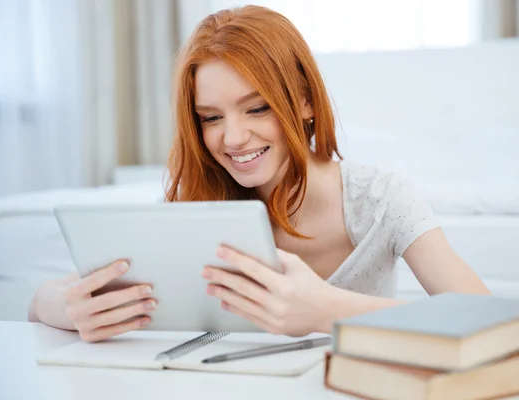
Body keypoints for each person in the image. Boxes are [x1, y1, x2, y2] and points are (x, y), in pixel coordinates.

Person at [28, 5, 490, 342]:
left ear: (306, 101)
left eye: (257, 108)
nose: (232, 139)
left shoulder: (381, 200)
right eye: (210, 117)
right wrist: (65, 308)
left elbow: (490, 319)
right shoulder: (195, 203)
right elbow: (43, 301)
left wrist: (324, 310)